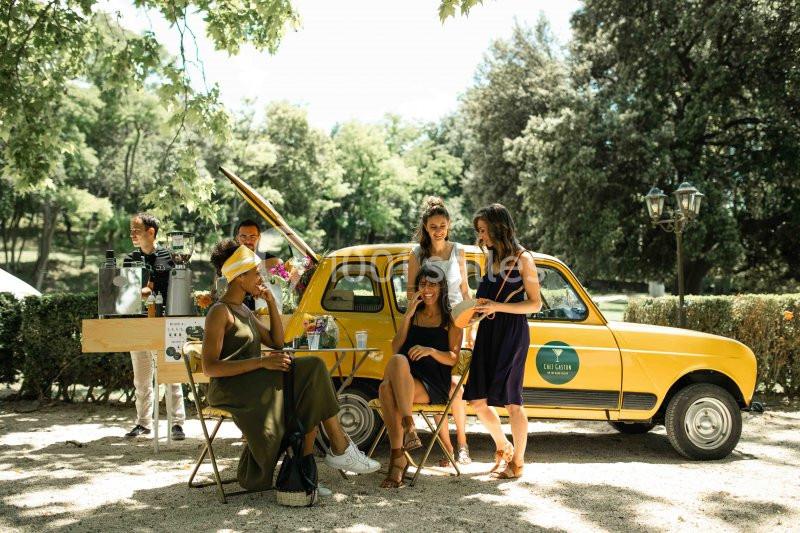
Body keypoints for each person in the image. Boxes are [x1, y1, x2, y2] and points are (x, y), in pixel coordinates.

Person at [203, 239, 380, 493]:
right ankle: (333, 453)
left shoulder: (244, 309)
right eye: (255, 273)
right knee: (311, 376)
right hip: (230, 388)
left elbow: (277, 341)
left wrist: (271, 303)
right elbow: (210, 368)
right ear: (240, 277)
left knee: (312, 379)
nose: (259, 278)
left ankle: (303, 472)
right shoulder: (219, 312)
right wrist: (262, 362)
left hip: (256, 381)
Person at [463, 203, 542, 480]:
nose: (481, 236)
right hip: (488, 331)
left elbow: (535, 304)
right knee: (477, 400)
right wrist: (469, 323)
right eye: (479, 231)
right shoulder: (491, 258)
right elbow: (485, 299)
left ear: (499, 227)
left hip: (512, 333)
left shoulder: (524, 258)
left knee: (512, 402)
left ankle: (518, 463)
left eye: (483, 230)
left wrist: (498, 306)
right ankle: (503, 446)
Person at [380, 264, 463, 488]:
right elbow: (396, 348)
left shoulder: (451, 318)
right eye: (423, 284)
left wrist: (431, 351)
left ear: (441, 287)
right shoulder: (413, 315)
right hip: (408, 377)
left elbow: (453, 358)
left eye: (433, 284)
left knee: (386, 389)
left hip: (433, 383)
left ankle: (397, 459)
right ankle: (408, 428)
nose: (427, 289)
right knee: (394, 369)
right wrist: (407, 316)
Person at [406, 196, 472, 465]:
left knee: (455, 386)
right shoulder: (417, 254)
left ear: (449, 225)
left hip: (455, 322)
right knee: (436, 381)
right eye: (433, 226)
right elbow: (412, 290)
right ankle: (446, 448)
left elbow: (465, 289)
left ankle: (463, 445)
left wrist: (472, 326)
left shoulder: (459, 250)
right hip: (429, 322)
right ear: (425, 226)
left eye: (442, 225)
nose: (438, 230)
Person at [124, 213, 186, 440]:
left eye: (136, 230)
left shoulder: (170, 257)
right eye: (131, 230)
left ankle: (177, 424)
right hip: (138, 324)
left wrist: (145, 291)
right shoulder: (130, 259)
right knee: (141, 378)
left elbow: (177, 291)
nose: (132, 234)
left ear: (151, 232)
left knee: (172, 375)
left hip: (166, 324)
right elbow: (126, 295)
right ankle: (143, 423)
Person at [234, 219, 282, 312]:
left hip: (261, 311)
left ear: (259, 238)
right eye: (243, 236)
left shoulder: (264, 257)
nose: (248, 241)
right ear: (237, 238)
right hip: (235, 311)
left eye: (252, 237)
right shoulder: (230, 259)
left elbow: (279, 262)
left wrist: (252, 267)